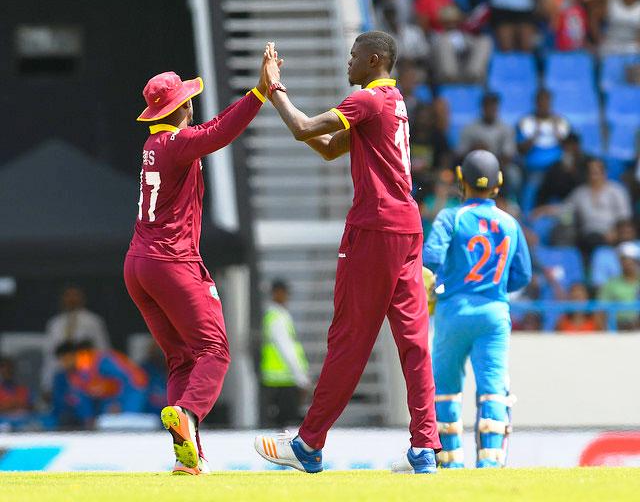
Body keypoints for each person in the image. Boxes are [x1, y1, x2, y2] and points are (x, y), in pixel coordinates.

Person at [254, 34, 441, 474]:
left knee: (348, 340)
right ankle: (424, 448)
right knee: (414, 344)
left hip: (374, 228)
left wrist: (273, 89)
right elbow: (326, 147)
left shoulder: (368, 101)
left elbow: (304, 128)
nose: (348, 62)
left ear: (374, 60)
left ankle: (308, 445)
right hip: (407, 227)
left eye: (354, 56)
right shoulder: (394, 103)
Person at [123, 51, 269, 475]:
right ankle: (187, 414)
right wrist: (260, 92)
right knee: (216, 350)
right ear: (182, 107)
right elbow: (219, 132)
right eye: (189, 99)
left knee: (182, 360)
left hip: (138, 264)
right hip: (172, 262)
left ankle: (188, 456)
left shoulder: (154, 144)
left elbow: (207, 131)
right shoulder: (178, 144)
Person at [423, 150, 532, 468]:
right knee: (493, 386)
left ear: (461, 180)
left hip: (453, 311)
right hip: (494, 314)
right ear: (498, 183)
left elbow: (431, 258)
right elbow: (523, 275)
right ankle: (490, 461)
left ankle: (451, 461)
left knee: (445, 387)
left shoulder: (451, 216)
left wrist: (441, 284)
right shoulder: (509, 222)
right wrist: (493, 288)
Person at [50, 341, 148, 430]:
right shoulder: (73, 376)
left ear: (74, 355)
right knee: (105, 423)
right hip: (109, 395)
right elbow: (82, 400)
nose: (65, 364)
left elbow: (124, 378)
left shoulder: (99, 360)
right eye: (62, 361)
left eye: (66, 359)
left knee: (128, 422)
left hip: (133, 388)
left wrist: (117, 403)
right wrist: (88, 419)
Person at [261, 280, 311, 428]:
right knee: (287, 425)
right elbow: (286, 349)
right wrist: (301, 378)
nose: (286, 296)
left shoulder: (275, 315)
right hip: (284, 380)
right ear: (276, 293)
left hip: (279, 379)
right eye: (284, 292)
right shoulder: (278, 317)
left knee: (280, 424)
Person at [41, 286, 110, 394]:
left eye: (75, 295)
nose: (71, 299)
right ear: (63, 299)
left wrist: (102, 379)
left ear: (82, 298)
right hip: (61, 372)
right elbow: (49, 356)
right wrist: (46, 384)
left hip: (86, 373)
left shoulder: (93, 321)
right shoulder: (54, 324)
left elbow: (103, 350)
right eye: (68, 296)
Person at [517, 88, 571, 174]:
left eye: (546, 101)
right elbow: (521, 150)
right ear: (536, 103)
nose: (544, 105)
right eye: (541, 102)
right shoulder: (525, 122)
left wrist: (557, 133)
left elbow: (569, 148)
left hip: (557, 167)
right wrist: (535, 134)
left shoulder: (561, 122)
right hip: (534, 167)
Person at [597, 241, 640, 330]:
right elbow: (601, 310)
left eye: (630, 259)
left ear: (636, 261)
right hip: (618, 329)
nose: (627, 263)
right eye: (623, 259)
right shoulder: (611, 284)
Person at [591, 219, 640, 288]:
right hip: (613, 295)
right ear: (614, 234)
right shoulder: (602, 253)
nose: (626, 236)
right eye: (622, 233)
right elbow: (599, 283)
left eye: (629, 232)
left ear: (634, 233)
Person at [0, 356, 32, 430]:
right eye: (3, 367)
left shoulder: (23, 390)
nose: (7, 370)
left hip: (23, 425)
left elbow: (31, 407)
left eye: (9, 367)